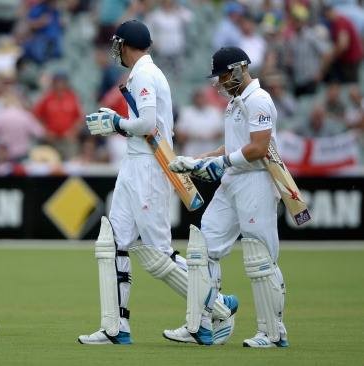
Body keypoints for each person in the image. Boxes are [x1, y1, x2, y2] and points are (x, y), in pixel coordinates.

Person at [78, 20, 237, 345]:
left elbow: (148, 124)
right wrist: (118, 124)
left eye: (116, 44)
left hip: (150, 165)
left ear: (124, 45)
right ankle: (115, 328)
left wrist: (115, 122)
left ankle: (218, 305)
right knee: (114, 244)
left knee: (156, 254)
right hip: (135, 163)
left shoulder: (146, 75)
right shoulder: (140, 74)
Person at [168, 47, 289, 347]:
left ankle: (273, 334)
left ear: (237, 70)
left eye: (223, 75)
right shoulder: (235, 103)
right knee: (202, 248)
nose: (219, 83)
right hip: (232, 182)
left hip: (256, 182)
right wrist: (199, 160)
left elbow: (259, 148)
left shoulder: (258, 100)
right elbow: (233, 145)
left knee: (260, 258)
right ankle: (203, 325)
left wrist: (220, 164)